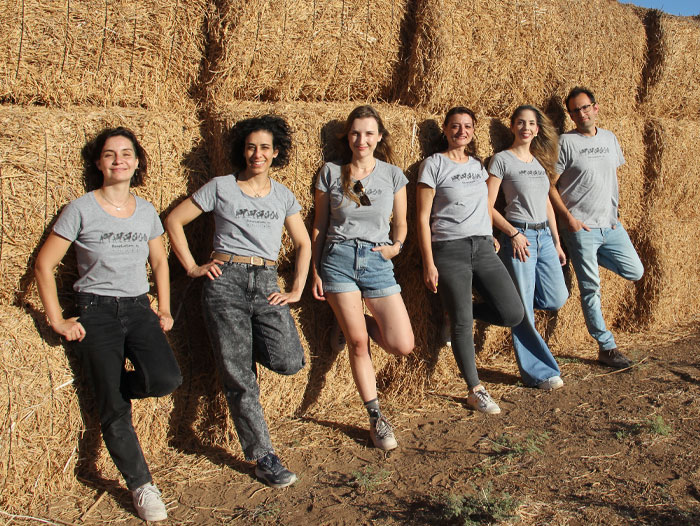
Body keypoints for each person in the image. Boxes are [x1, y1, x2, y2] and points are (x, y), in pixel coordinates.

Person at [34, 127, 182, 522]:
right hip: (96, 310)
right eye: (110, 154)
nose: (119, 160)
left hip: (138, 308)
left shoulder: (147, 210)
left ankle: (112, 388)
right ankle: (141, 485)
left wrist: (164, 308)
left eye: (126, 153)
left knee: (165, 379)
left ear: (137, 162)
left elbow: (160, 261)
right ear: (98, 163)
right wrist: (57, 319)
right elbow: (45, 265)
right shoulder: (80, 209)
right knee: (114, 409)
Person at [165, 115, 310, 488]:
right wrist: (193, 267)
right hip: (225, 282)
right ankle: (264, 457)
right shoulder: (221, 186)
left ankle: (239, 352)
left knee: (290, 360)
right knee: (240, 377)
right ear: (242, 151)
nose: (257, 154)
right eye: (250, 147)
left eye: (265, 148)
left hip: (266, 281)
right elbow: (174, 220)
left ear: (276, 153)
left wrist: (296, 288)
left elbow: (303, 242)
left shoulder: (283, 195)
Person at [311, 105, 414, 451]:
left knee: (402, 345)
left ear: (379, 136)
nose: (362, 140)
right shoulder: (331, 172)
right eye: (356, 133)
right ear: (348, 136)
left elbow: (401, 223)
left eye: (369, 133)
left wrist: (396, 247)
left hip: (377, 260)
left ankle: (349, 321)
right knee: (358, 343)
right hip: (338, 258)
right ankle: (376, 418)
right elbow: (319, 225)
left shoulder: (393, 175)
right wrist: (315, 269)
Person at [416, 107, 524, 415]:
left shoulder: (478, 165)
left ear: (474, 131)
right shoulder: (433, 165)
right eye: (455, 126)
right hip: (449, 249)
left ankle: (455, 312)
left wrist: (490, 232)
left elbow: (485, 204)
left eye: (467, 126)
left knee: (513, 312)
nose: (461, 131)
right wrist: (428, 262)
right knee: (463, 323)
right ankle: (475, 390)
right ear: (445, 129)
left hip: (483, 248)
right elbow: (422, 217)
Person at [549, 87, 644, 369]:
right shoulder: (566, 143)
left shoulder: (610, 138)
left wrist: (616, 212)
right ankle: (606, 347)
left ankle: (581, 255)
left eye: (585, 107)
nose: (581, 113)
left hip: (611, 225)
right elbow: (549, 185)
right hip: (581, 228)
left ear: (595, 107)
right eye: (575, 110)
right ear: (570, 115)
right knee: (591, 289)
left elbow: (609, 178)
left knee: (635, 271)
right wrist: (569, 220)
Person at [487, 105, 569, 390]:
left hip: (544, 236)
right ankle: (540, 373)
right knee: (524, 311)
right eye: (520, 122)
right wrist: (512, 233)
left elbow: (546, 203)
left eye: (531, 123)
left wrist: (556, 242)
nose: (526, 127)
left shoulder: (539, 162)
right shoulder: (502, 160)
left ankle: (505, 303)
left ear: (537, 129)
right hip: (519, 237)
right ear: (512, 126)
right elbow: (486, 205)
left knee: (557, 297)